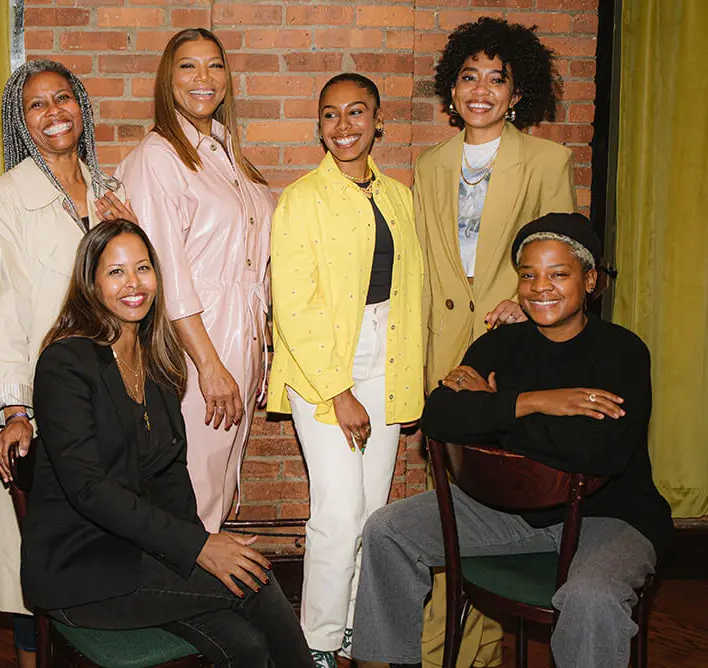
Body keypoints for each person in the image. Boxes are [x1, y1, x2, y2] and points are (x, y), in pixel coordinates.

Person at [353, 213, 673, 668]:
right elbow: (440, 416)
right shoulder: (500, 345)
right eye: (528, 275)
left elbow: (593, 451)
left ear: (589, 280)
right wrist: (534, 402)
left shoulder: (622, 352)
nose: (541, 287)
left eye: (558, 274)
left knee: (591, 597)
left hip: (610, 514)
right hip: (507, 509)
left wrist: (491, 408)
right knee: (387, 531)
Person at [20, 220, 313, 667]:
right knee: (255, 579)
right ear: (91, 283)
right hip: (81, 568)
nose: (133, 283)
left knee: (246, 641)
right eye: (116, 272)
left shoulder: (156, 360)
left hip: (141, 550)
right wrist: (198, 548)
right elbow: (89, 489)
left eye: (143, 268)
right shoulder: (65, 364)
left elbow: (170, 475)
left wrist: (200, 543)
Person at [412, 17, 577, 666]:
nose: (481, 90)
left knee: (499, 497)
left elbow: (563, 259)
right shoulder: (430, 164)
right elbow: (426, 268)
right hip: (446, 354)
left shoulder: (547, 161)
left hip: (514, 351)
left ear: (516, 93)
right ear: (452, 92)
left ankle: (471, 652)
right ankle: (445, 647)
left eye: (496, 79)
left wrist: (527, 303)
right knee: (449, 502)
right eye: (468, 77)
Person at [0, 59, 134, 666]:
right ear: (20, 121)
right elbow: (1, 310)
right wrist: (16, 409)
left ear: (82, 107)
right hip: (41, 402)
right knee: (35, 558)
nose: (53, 113)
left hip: (109, 397)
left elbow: (135, 292)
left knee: (104, 544)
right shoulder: (7, 198)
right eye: (36, 105)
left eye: (63, 98)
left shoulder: (108, 189)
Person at [267, 73, 424, 667]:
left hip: (389, 354)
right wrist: (339, 390)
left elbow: (412, 291)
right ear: (319, 125)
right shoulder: (301, 198)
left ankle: (356, 627)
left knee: (372, 510)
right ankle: (317, 641)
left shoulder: (398, 196)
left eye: (357, 112)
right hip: (323, 362)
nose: (343, 126)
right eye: (330, 114)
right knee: (336, 510)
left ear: (378, 121)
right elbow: (293, 303)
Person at [115, 28, 273, 532]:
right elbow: (166, 273)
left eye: (215, 65)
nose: (203, 78)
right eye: (188, 66)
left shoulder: (225, 152)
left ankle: (203, 578)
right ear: (168, 78)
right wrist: (208, 364)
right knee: (193, 491)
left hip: (239, 339)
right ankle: (186, 581)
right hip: (193, 347)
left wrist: (261, 345)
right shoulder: (159, 156)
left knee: (219, 486)